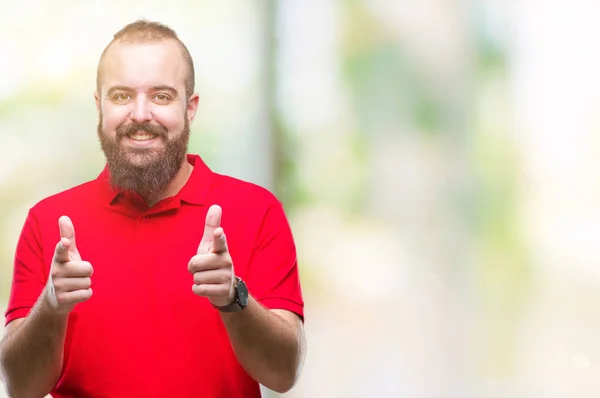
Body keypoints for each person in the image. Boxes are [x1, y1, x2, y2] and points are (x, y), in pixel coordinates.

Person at [0, 19, 306, 398]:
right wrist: (50, 305)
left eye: (161, 96)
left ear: (190, 107)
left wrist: (233, 297)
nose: (140, 114)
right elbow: (18, 388)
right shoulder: (49, 222)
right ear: (100, 105)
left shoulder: (257, 210)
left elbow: (284, 373)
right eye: (122, 96)